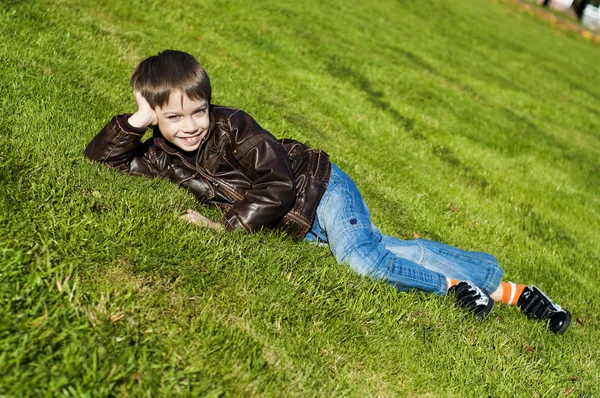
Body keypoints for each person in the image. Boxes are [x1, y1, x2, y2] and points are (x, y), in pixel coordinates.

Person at [84, 50, 571, 334]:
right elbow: (100, 160)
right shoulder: (158, 154)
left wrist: (224, 225)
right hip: (303, 226)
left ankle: (455, 288)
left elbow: (276, 185)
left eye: (199, 111)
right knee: (390, 250)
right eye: (172, 117)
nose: (190, 126)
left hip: (319, 190)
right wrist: (137, 121)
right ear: (153, 115)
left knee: (362, 262)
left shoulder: (235, 127)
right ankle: (509, 289)